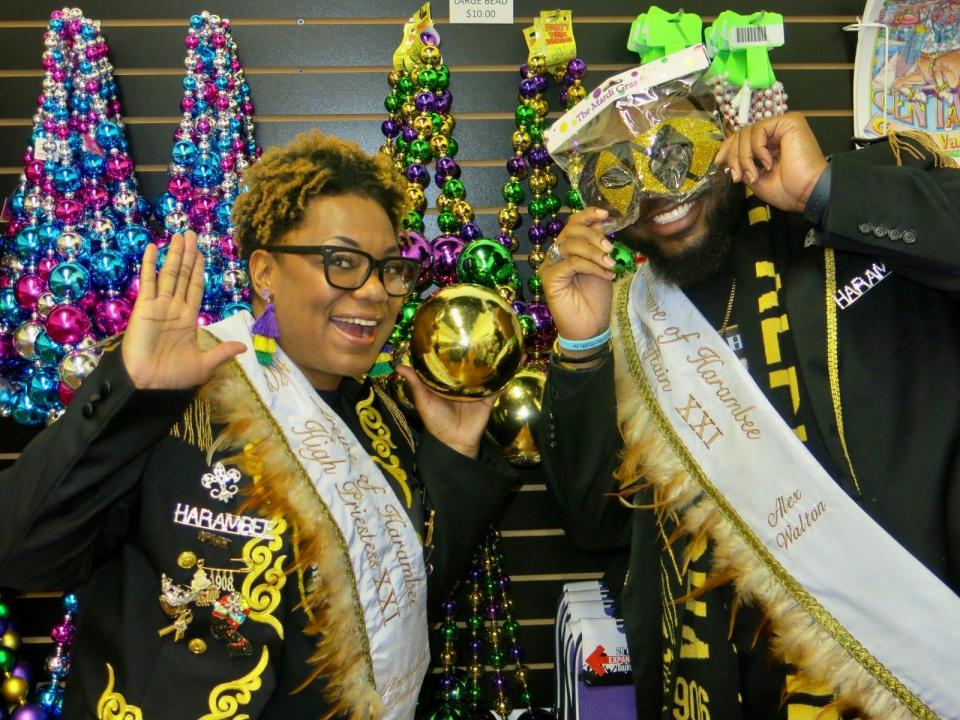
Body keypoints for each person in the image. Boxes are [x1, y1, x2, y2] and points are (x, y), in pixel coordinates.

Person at [0, 131, 515, 719]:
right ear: (265, 271)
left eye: (389, 268)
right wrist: (131, 393)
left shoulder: (383, 417)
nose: (374, 292)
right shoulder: (183, 399)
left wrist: (450, 446)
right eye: (342, 262)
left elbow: (401, 596)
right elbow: (19, 555)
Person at [538, 110, 960, 719]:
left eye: (679, 153)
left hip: (921, 668)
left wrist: (823, 191)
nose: (660, 193)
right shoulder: (634, 324)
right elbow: (595, 525)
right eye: (620, 176)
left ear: (726, 132)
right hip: (736, 690)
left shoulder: (851, 214)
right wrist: (583, 346)